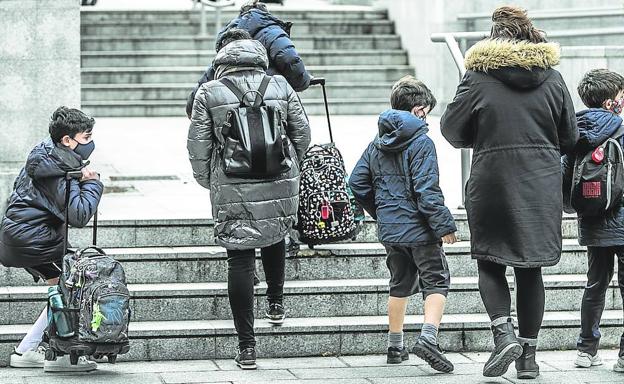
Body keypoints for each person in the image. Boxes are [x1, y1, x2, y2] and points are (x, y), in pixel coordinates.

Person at [440, 6, 578, 379]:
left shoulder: (477, 77)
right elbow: (571, 136)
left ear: (494, 37)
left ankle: (504, 334)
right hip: (540, 183)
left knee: (490, 261)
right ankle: (529, 359)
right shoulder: (554, 79)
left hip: (492, 180)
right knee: (530, 269)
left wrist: (483, 137)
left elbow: (452, 131)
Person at [187, 35, 311, 370]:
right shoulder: (281, 85)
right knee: (274, 235)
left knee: (240, 260)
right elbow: (302, 134)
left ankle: (247, 347)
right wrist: (290, 167)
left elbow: (198, 146)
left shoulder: (210, 92)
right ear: (259, 56)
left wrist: (210, 180)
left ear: (223, 58)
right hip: (279, 179)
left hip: (231, 183)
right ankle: (275, 303)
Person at [349, 76, 458, 373]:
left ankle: (395, 346)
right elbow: (427, 191)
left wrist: (380, 211)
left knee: (399, 282)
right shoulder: (421, 142)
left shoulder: (376, 143)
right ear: (418, 110)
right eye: (426, 112)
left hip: (391, 230)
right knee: (436, 280)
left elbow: (356, 183)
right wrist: (444, 226)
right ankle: (428, 339)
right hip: (420, 230)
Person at [0, 107, 103, 372]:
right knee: (72, 290)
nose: (90, 143)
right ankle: (59, 357)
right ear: (67, 140)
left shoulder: (48, 157)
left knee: (64, 289)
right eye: (86, 137)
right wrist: (93, 183)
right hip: (33, 240)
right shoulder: (55, 169)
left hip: (23, 236)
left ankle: (25, 351)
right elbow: (78, 214)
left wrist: (79, 176)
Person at [561, 69, 624, 373]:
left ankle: (586, 350)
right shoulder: (622, 130)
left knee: (595, 285)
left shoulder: (576, 132)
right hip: (623, 223)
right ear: (612, 101)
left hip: (593, 222)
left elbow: (564, 177)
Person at [185, 0, 311, 118]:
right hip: (271, 103)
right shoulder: (274, 32)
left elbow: (212, 73)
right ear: (265, 14)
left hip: (234, 110)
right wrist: (301, 82)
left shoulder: (230, 38)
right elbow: (289, 59)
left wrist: (193, 106)